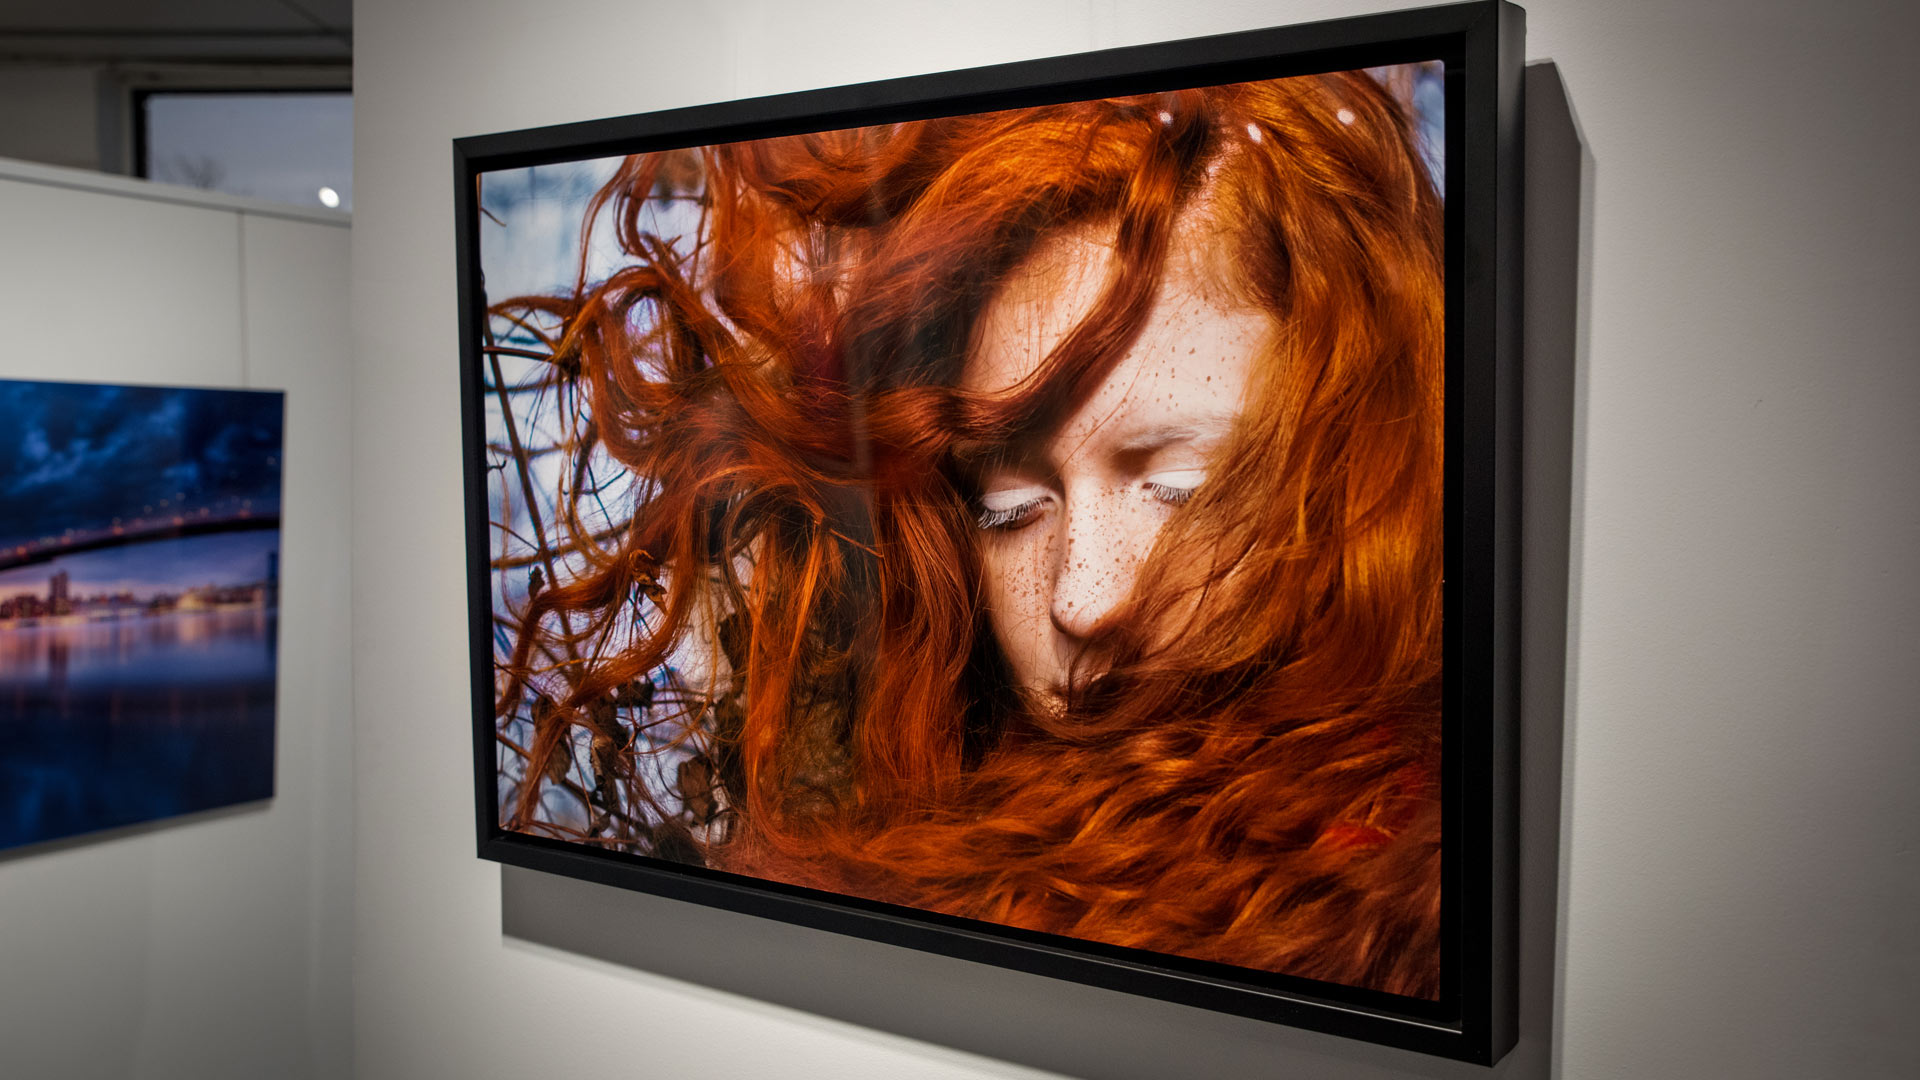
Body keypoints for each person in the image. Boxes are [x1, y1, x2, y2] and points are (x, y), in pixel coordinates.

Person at [488, 66, 1445, 998]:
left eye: (1177, 488)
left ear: (1352, 463)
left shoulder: (1405, 896)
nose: (1083, 597)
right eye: (1011, 508)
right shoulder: (917, 815)